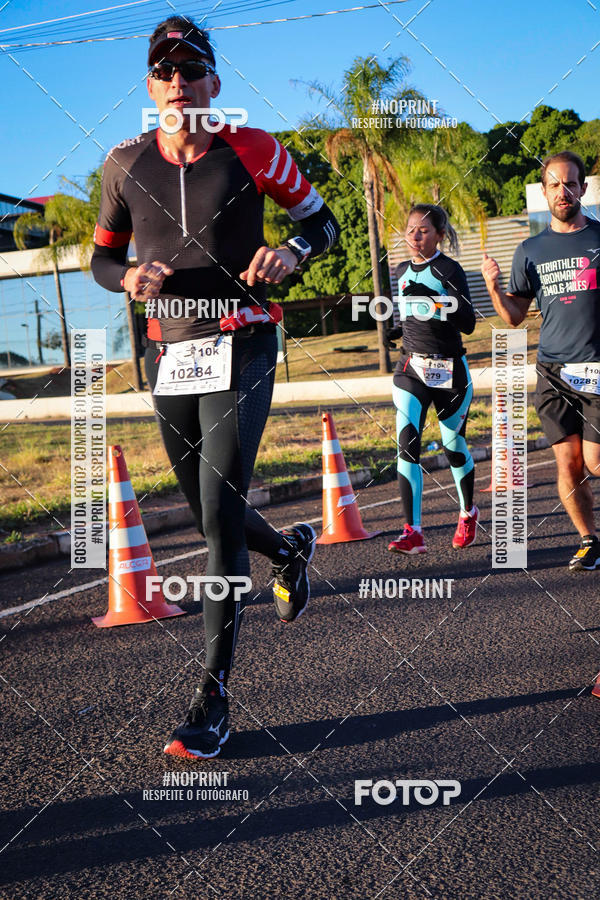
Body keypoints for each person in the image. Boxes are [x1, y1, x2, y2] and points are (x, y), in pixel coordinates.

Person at [91, 16, 340, 758]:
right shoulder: (122, 164)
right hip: (173, 354)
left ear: (213, 85)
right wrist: (128, 277)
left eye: (190, 69)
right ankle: (291, 551)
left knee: (220, 514)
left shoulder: (253, 149)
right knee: (209, 515)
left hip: (244, 342)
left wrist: (292, 252)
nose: (177, 81)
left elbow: (321, 224)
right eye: (164, 71)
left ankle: (213, 697)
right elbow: (102, 261)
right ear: (150, 88)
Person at [482, 150, 600, 572]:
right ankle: (589, 540)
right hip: (552, 371)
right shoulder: (529, 250)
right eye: (554, 184)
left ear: (583, 188)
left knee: (595, 462)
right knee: (567, 463)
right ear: (544, 191)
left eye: (570, 183)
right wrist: (495, 289)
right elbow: (514, 316)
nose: (563, 191)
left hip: (597, 368)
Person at [386, 204, 478, 555]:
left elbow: (467, 321)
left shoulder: (449, 269)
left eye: (423, 230)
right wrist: (397, 327)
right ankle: (413, 531)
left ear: (439, 235)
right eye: (410, 229)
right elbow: (412, 312)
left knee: (452, 444)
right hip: (411, 368)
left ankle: (468, 511)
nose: (414, 236)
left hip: (450, 371)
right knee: (407, 442)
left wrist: (435, 302)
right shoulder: (400, 270)